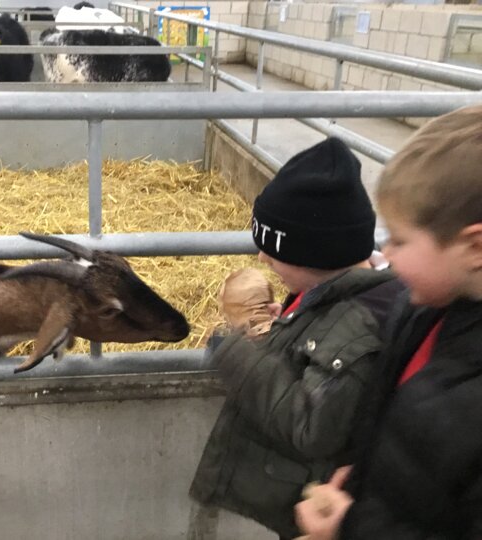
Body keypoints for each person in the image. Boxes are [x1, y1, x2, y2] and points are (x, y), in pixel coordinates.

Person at [188, 137, 403, 539]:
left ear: (316, 255)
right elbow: (319, 343)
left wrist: (235, 353)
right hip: (308, 497)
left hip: (317, 508)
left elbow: (311, 424)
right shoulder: (331, 291)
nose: (262, 258)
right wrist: (287, 325)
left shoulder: (361, 327)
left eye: (273, 251)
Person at [295, 105, 482, 539]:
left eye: (399, 239)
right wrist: (363, 476)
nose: (387, 253)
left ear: (474, 247)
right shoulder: (423, 307)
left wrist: (353, 527)